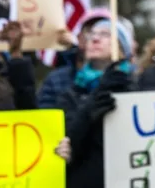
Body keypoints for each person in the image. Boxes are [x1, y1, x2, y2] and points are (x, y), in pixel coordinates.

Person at [54, 19, 134, 188]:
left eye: (105, 34)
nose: (95, 39)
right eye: (91, 35)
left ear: (121, 48)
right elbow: (66, 141)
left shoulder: (138, 86)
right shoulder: (71, 92)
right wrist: (91, 105)